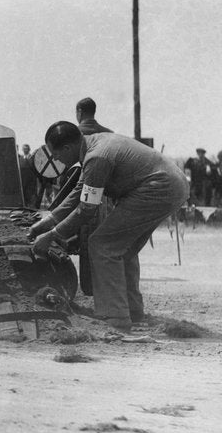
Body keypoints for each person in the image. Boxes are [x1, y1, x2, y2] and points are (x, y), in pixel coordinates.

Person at [28, 121, 187, 332]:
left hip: (158, 188)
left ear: (67, 148)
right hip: (172, 184)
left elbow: (86, 209)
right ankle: (132, 311)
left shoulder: (96, 157)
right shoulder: (93, 145)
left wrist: (52, 235)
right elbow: (80, 190)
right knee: (124, 248)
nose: (55, 159)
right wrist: (48, 220)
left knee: (102, 244)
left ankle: (114, 318)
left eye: (55, 154)